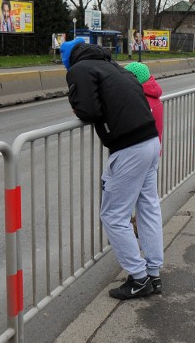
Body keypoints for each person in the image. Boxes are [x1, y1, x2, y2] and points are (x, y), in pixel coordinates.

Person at [59, 38, 163, 300]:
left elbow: (87, 110)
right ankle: (153, 273)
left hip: (129, 147)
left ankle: (139, 279)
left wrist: (75, 104)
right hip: (151, 140)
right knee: (148, 207)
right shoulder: (114, 66)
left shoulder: (79, 70)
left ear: (68, 59)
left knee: (113, 215)